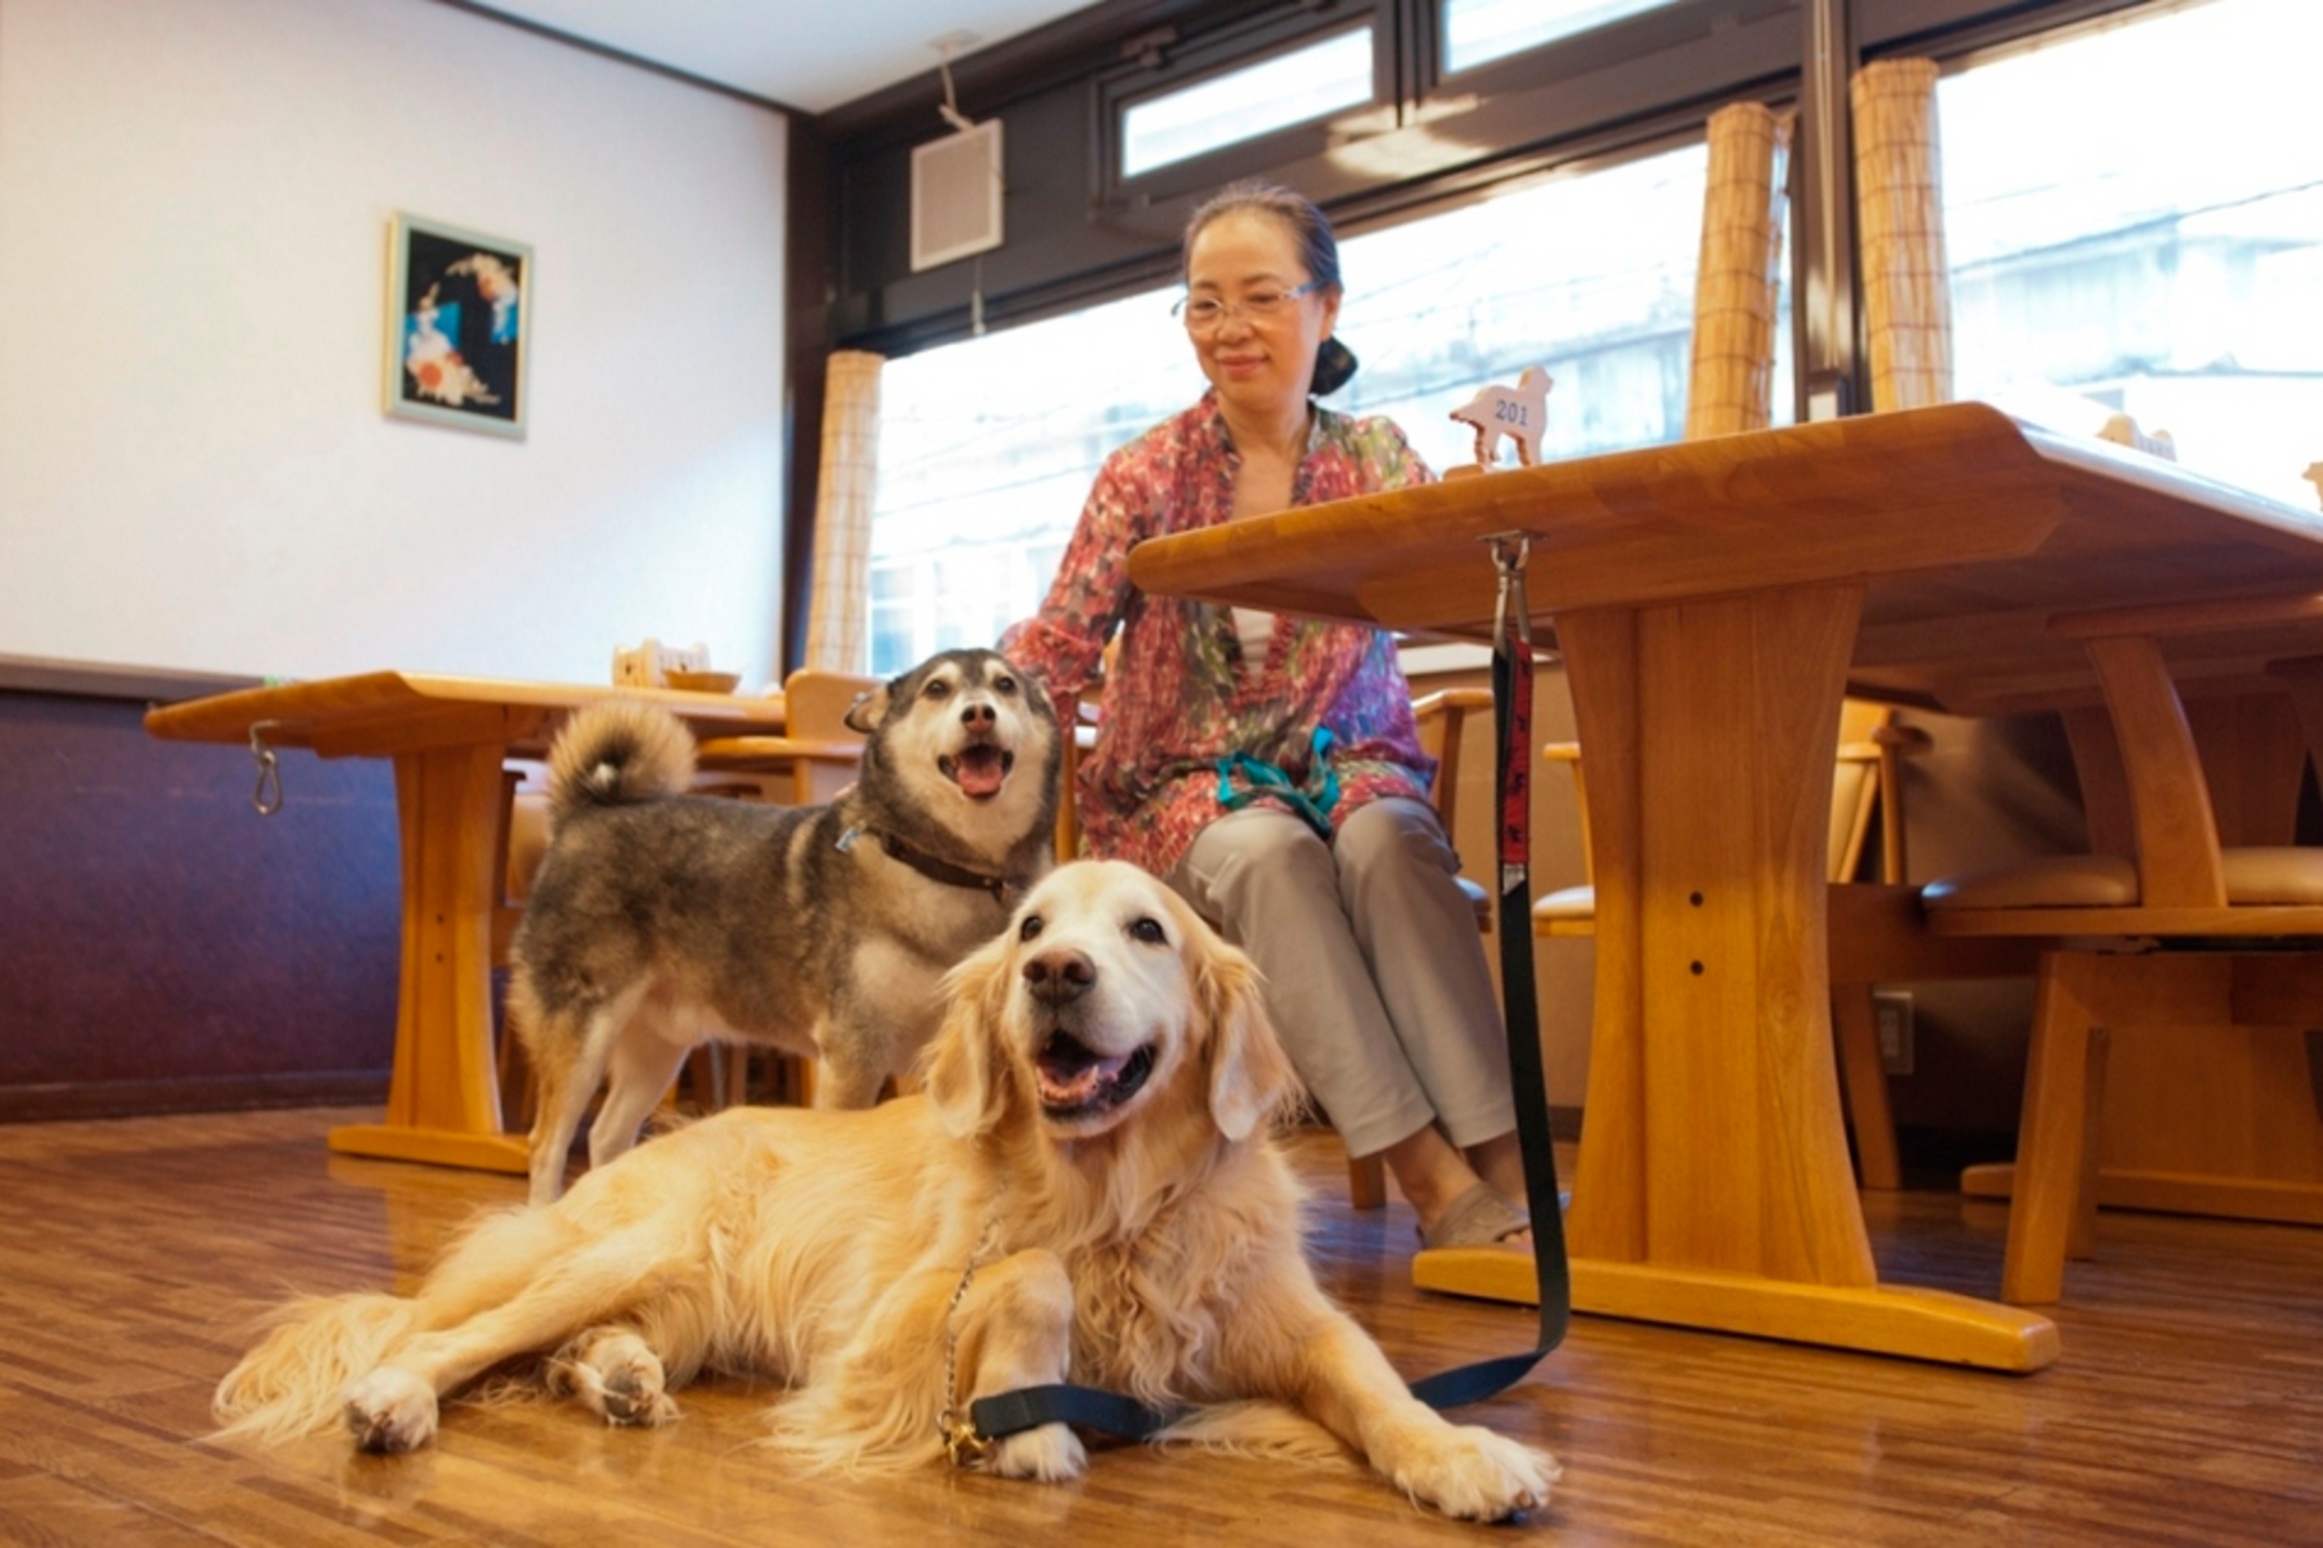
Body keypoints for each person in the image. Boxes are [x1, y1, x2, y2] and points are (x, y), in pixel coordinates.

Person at [1001, 180, 1532, 1250]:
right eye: (1203, 304)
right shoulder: (1142, 473)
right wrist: (979, 729)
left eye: (1258, 298)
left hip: (1353, 768)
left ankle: (1510, 1164)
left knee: (1386, 842)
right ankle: (1432, 1178)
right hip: (1181, 792)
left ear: (1324, 308)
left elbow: (1453, 587)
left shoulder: (1375, 456)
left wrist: (1495, 502)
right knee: (1266, 855)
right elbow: (1056, 644)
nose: (1228, 329)